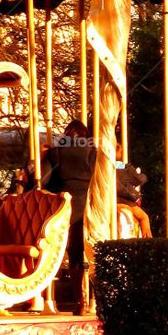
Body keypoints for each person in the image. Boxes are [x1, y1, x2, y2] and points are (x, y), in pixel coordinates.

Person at [40, 119, 97, 307]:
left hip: (63, 204)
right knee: (81, 251)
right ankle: (88, 298)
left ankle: (64, 297)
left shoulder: (55, 152)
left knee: (54, 250)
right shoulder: (92, 152)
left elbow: (44, 182)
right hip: (87, 204)